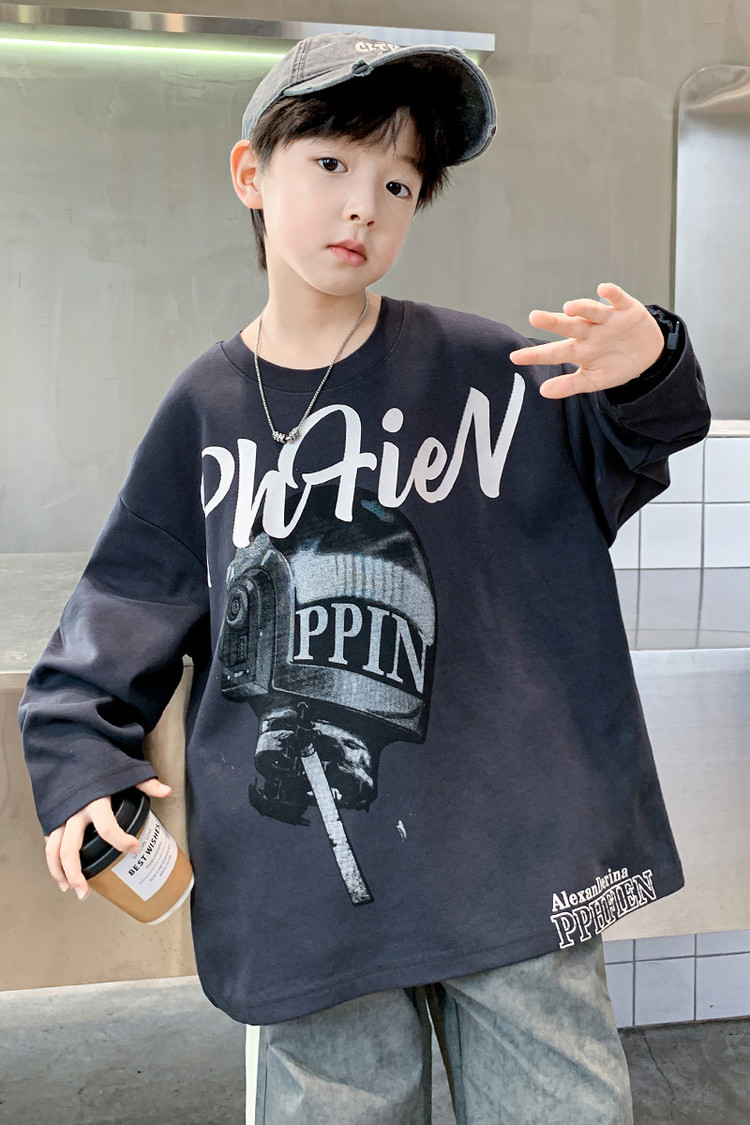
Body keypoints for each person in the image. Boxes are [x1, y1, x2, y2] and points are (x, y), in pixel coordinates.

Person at [19, 31, 711, 1125]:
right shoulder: (204, 413)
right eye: (333, 163)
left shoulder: (485, 372)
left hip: (512, 861)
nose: (364, 206)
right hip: (303, 892)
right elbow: (120, 612)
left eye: (397, 183)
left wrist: (652, 369)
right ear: (251, 174)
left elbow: (624, 456)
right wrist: (79, 764)